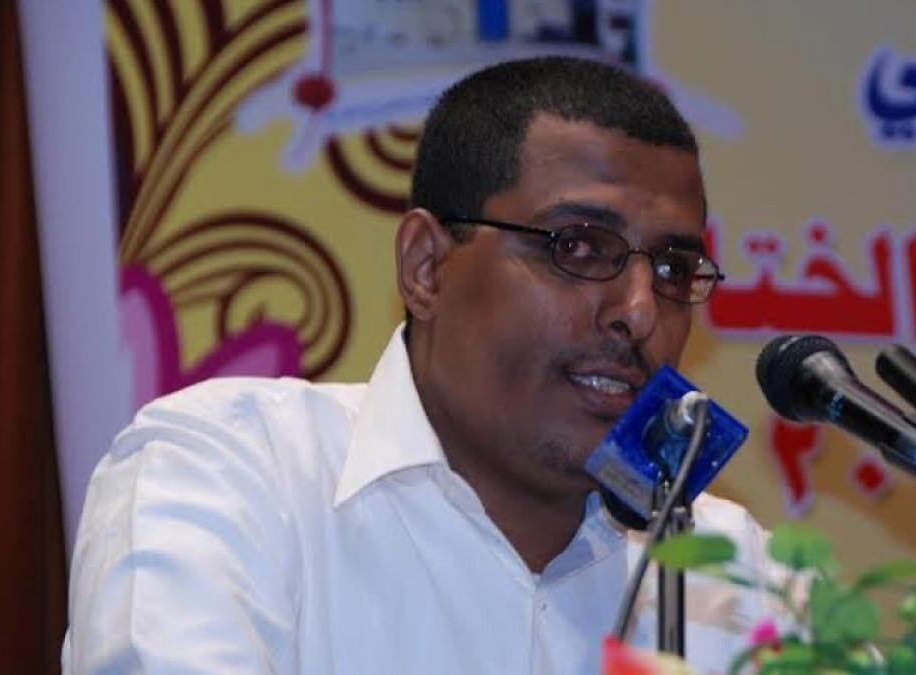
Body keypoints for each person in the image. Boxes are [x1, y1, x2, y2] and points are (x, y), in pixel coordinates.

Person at [63, 56, 789, 674]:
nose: (639, 310)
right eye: (577, 247)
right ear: (427, 267)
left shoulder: (735, 574)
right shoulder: (234, 473)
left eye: (672, 268)